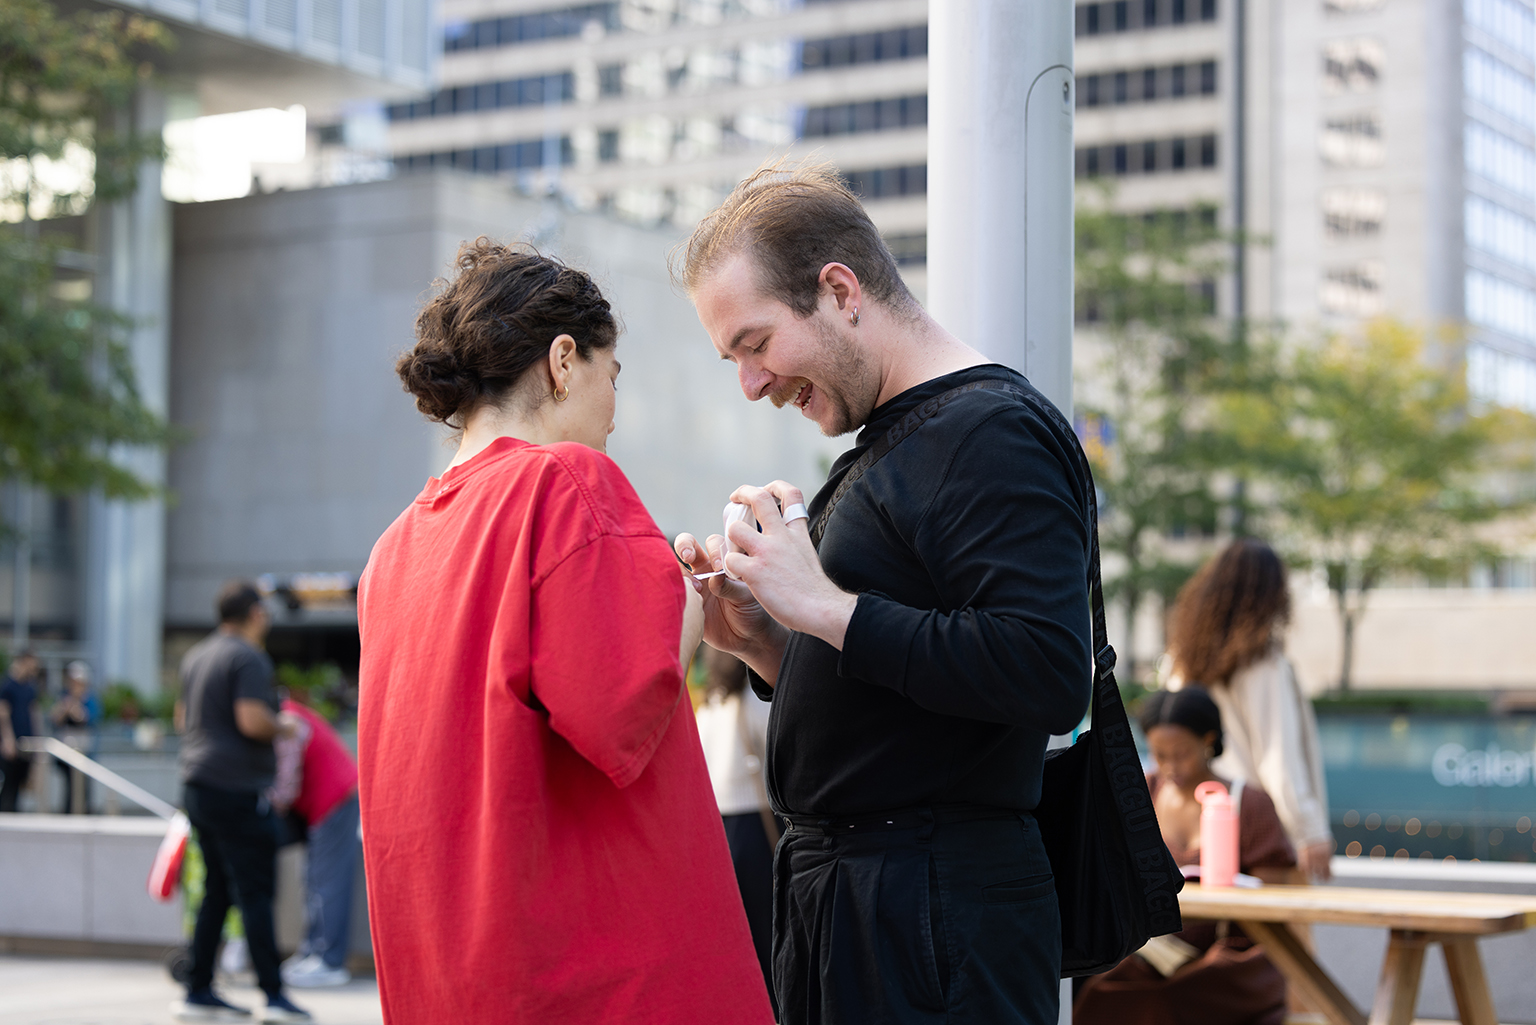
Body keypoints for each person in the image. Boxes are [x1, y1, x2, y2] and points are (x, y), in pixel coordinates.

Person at [672, 160, 1093, 1025]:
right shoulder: (897, 438)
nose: (751, 383)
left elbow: (1049, 669)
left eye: (755, 343)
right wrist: (767, 639)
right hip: (874, 910)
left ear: (838, 289)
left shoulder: (989, 430)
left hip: (931, 916)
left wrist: (822, 605)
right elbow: (905, 691)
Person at [356, 241, 773, 1024]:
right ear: (563, 361)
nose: (613, 414)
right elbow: (623, 702)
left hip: (450, 976)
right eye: (613, 378)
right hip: (592, 971)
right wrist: (688, 597)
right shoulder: (563, 481)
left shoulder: (393, 550)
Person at [1073, 687, 1297, 1025]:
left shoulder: (1249, 805)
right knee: (1104, 984)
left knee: (1160, 999)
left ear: (1208, 741)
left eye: (1181, 754)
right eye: (1159, 755)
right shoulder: (1139, 796)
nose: (1170, 766)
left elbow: (1271, 903)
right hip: (1153, 953)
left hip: (1230, 959)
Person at [173, 581, 311, 1023]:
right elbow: (251, 720)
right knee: (254, 892)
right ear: (253, 613)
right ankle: (273, 996)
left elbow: (181, 718)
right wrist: (284, 726)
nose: (267, 618)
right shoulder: (247, 657)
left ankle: (197, 989)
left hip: (197, 784)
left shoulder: (198, 655)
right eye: (264, 611)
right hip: (235, 789)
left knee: (216, 891)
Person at [1165, 538, 1334, 880]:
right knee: (1279, 934)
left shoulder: (1182, 662)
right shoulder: (1264, 665)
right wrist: (1310, 831)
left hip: (1199, 822)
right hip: (1260, 831)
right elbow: (1279, 759)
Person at [693, 646, 777, 1015]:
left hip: (718, 830)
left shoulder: (709, 706)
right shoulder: (754, 703)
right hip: (756, 825)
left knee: (737, 931)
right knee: (768, 927)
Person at [267, 694, 361, 989]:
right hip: (326, 803)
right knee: (313, 879)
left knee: (326, 882)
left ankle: (329, 961)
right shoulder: (290, 714)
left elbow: (285, 788)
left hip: (333, 802)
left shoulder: (288, 723)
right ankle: (311, 952)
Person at [51, 660, 101, 814]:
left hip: (84, 752)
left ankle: (83, 813)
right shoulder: (63, 697)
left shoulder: (90, 699)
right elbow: (54, 718)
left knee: (84, 789)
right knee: (68, 789)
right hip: (66, 752)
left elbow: (86, 718)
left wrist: (75, 705)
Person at [0, 649, 41, 813]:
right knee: (8, 784)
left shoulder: (30, 688)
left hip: (26, 743)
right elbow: (3, 713)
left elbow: (33, 713)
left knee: (20, 783)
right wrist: (7, 739)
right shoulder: (8, 686)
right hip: (11, 744)